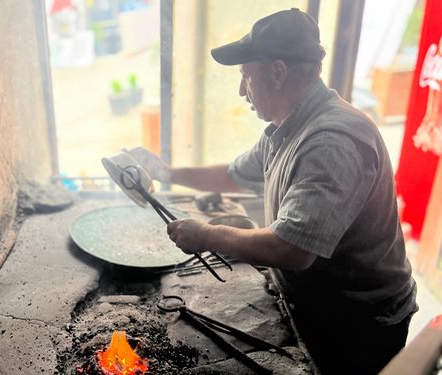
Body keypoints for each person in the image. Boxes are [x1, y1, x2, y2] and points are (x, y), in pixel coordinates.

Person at [127, 8, 418, 375]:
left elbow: (292, 249)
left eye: (245, 76)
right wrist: (166, 172)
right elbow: (234, 174)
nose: (240, 90)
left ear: (277, 72)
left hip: (358, 323)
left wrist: (207, 235)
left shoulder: (332, 141)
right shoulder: (289, 127)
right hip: (315, 304)